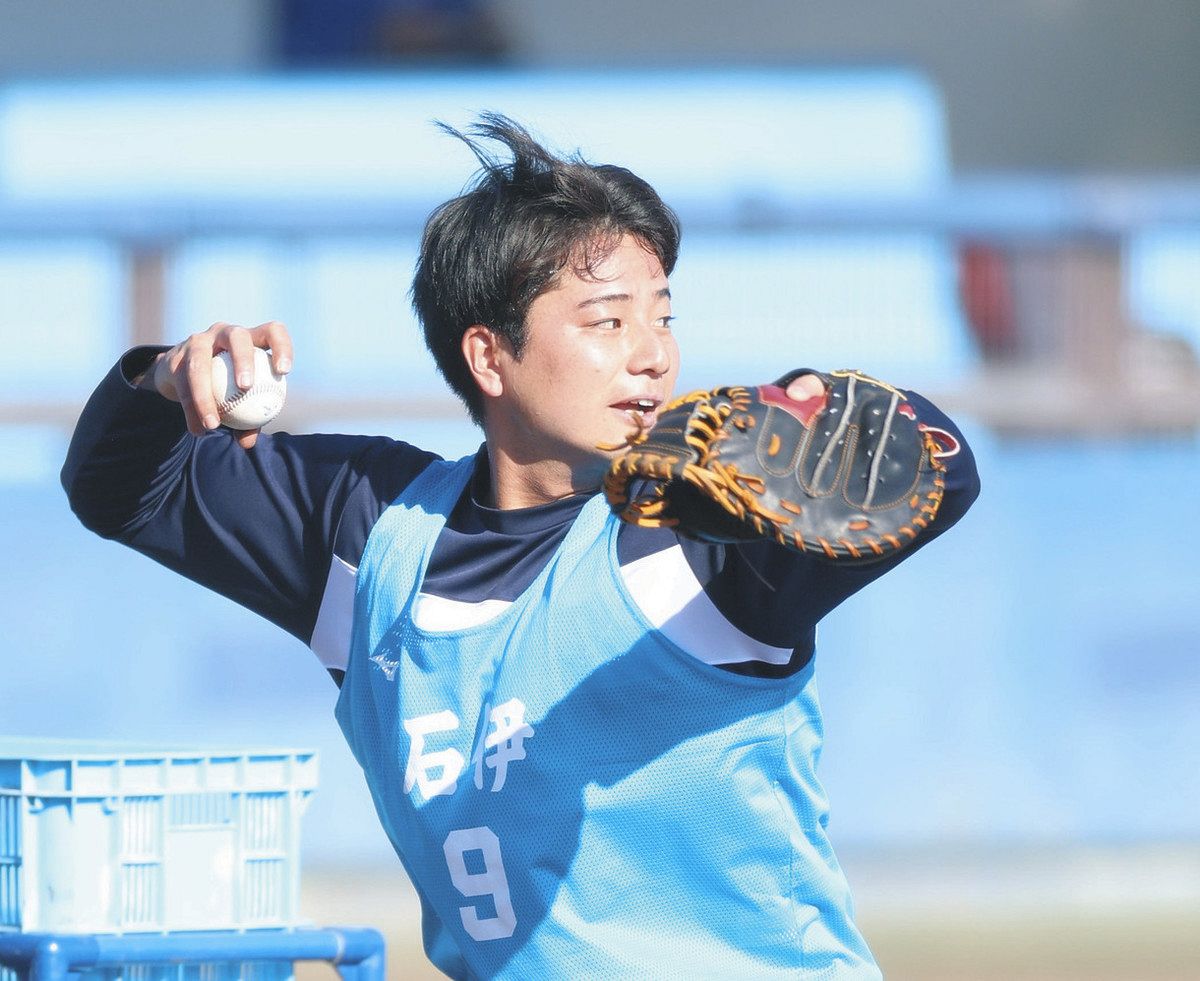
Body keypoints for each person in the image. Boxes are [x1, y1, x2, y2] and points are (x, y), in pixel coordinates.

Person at [63, 114, 980, 979]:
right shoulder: (370, 529)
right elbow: (117, 488)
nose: (653, 354)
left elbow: (941, 471)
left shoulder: (701, 530)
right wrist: (161, 377)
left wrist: (834, 414)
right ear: (488, 356)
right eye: (607, 321)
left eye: (663, 315)